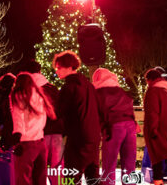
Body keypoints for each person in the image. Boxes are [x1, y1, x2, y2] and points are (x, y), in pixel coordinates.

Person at [53, 50, 101, 185]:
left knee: (72, 176)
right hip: (92, 137)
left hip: (77, 138)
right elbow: (99, 109)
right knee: (93, 175)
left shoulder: (69, 88)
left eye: (59, 67)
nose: (57, 71)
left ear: (69, 67)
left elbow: (60, 113)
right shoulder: (89, 86)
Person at [92, 67, 139, 185]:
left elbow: (96, 114)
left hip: (113, 127)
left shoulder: (98, 93)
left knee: (109, 162)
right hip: (130, 127)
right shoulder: (121, 91)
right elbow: (129, 108)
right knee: (129, 163)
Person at [20, 61, 64, 185]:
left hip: (37, 135)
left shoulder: (26, 89)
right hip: (56, 133)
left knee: (38, 171)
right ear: (39, 71)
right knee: (57, 169)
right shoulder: (52, 88)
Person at [10, 72, 56, 185]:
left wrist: (17, 137)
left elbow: (18, 118)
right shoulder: (40, 97)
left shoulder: (19, 97)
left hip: (26, 144)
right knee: (40, 178)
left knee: (23, 179)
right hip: (40, 142)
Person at [0, 73, 17, 150]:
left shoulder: (4, 97)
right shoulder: (16, 95)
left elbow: (0, 116)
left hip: (7, 128)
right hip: (15, 128)